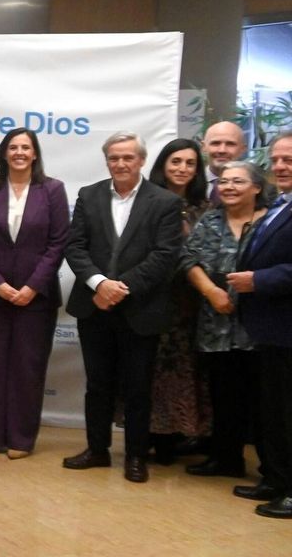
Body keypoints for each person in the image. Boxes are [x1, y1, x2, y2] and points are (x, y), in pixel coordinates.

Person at [63, 132, 183, 484]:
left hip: (140, 309)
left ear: (142, 160)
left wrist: (121, 288)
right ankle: (97, 450)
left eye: (128, 157)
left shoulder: (164, 202)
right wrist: (99, 284)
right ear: (107, 160)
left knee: (137, 388)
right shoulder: (89, 195)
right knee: (97, 385)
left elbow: (164, 256)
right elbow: (75, 247)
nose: (120, 163)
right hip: (94, 305)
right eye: (114, 157)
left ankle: (134, 456)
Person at [228, 131, 292, 519]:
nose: (279, 166)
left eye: (289, 160)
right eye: (276, 159)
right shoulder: (286, 203)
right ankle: (278, 479)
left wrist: (258, 281)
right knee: (275, 412)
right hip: (274, 329)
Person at [0, 129, 68, 459]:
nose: (20, 152)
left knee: (27, 369)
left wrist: (31, 287)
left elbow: (58, 244)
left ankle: (21, 439)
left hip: (35, 298)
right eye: (14, 147)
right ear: (4, 153)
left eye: (26, 147)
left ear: (35, 153)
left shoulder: (52, 190)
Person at [180, 160, 266, 480]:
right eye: (224, 182)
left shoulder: (270, 221)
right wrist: (210, 291)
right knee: (223, 393)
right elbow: (187, 258)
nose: (228, 187)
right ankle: (225, 459)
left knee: (261, 400)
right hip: (216, 323)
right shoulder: (210, 221)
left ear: (257, 187)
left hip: (259, 325)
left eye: (238, 182)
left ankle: (271, 468)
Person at [146, 138, 212, 464]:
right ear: (163, 165)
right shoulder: (146, 202)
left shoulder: (208, 208)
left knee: (185, 371)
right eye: (175, 162)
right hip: (149, 300)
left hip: (192, 305)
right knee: (150, 372)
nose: (182, 169)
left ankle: (179, 436)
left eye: (189, 163)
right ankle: (151, 435)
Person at [201, 121, 248, 205]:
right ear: (204, 147)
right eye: (215, 143)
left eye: (230, 144)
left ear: (243, 149)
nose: (222, 150)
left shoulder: (256, 187)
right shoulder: (188, 182)